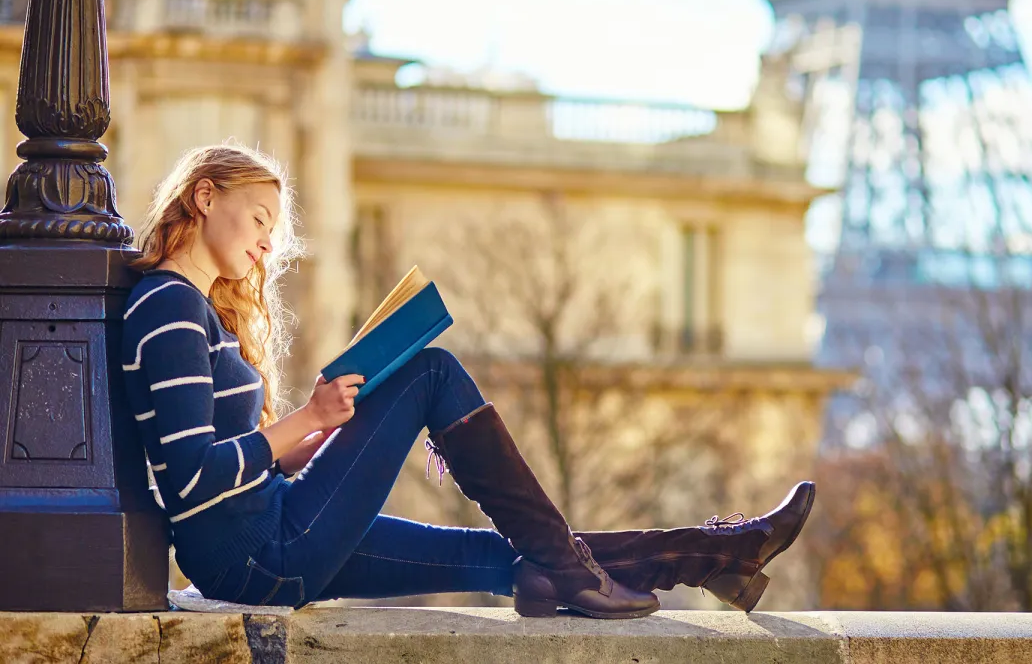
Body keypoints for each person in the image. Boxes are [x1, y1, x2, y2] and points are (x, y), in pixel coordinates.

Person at [121, 143, 817, 618]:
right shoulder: (169, 306)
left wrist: (310, 441)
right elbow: (191, 479)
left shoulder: (191, 310)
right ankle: (639, 563)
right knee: (429, 369)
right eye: (262, 219)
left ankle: (713, 555)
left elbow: (225, 461)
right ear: (205, 196)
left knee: (507, 557)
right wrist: (308, 418)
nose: (269, 242)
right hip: (256, 552)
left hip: (267, 533)